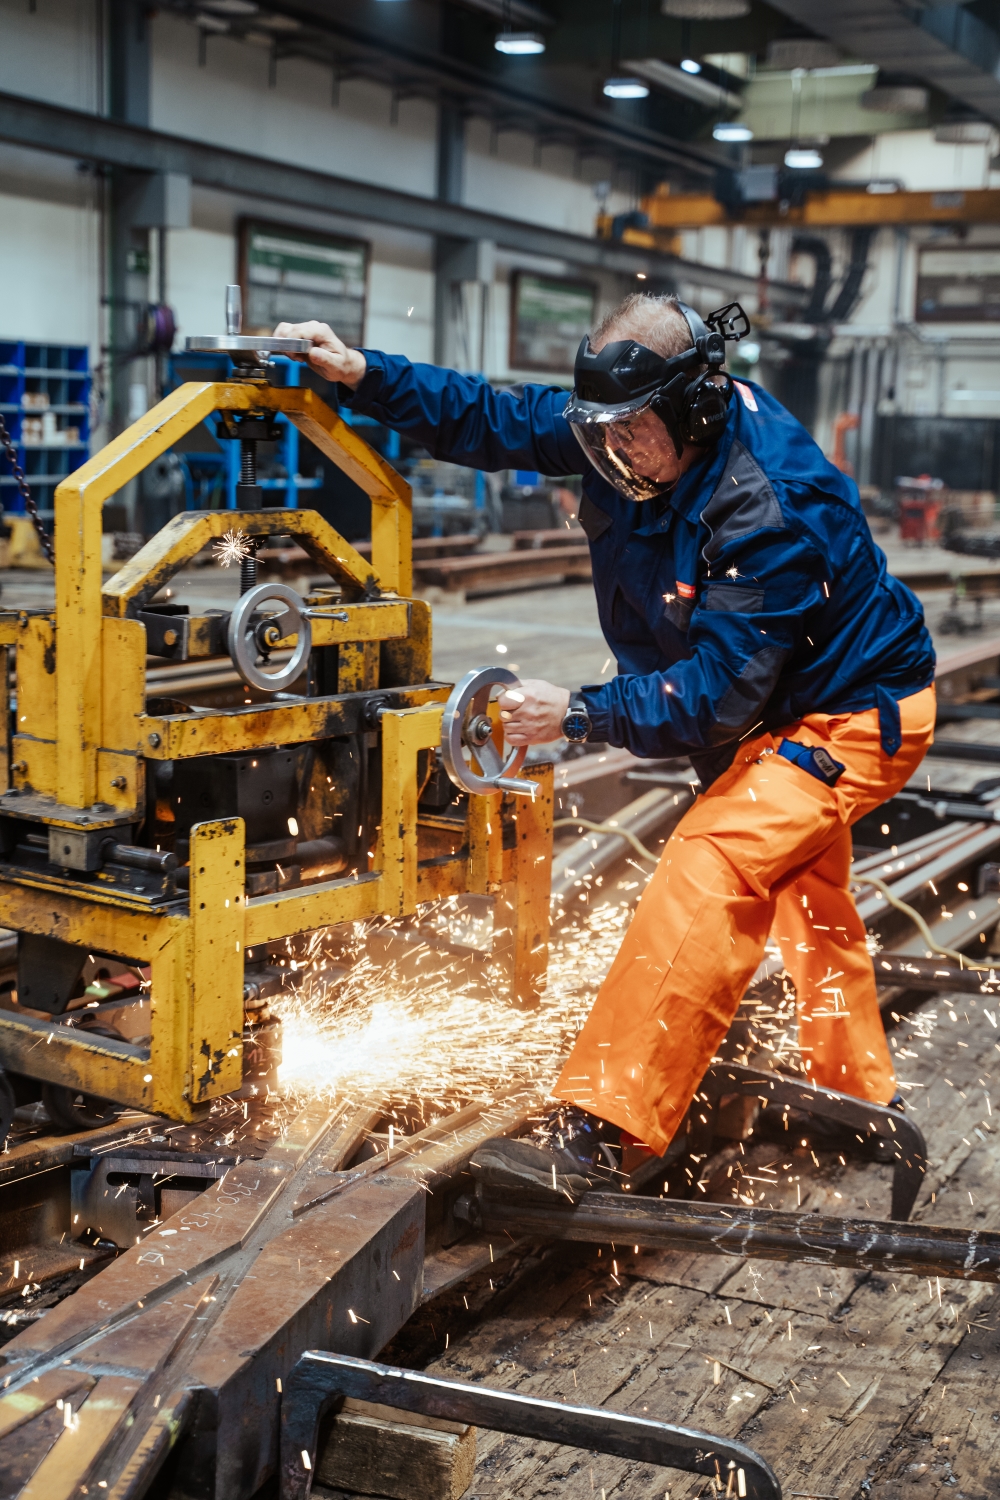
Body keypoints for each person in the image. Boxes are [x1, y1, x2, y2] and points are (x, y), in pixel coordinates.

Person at [275, 295, 936, 1199]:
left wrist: (580, 714)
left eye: (632, 434)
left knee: (711, 868)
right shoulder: (625, 432)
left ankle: (598, 1127)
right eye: (600, 432)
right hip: (771, 708)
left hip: (847, 715)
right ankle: (859, 1095)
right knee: (809, 900)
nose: (612, 454)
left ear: (691, 411)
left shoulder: (768, 507)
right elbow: (495, 414)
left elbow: (716, 695)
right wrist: (366, 374)